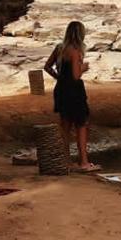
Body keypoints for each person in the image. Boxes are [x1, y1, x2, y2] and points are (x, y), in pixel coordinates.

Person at [44, 21, 100, 172]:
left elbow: (47, 66)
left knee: (65, 126)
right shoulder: (75, 51)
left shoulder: (59, 48)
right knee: (81, 125)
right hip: (74, 91)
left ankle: (65, 162)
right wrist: (84, 67)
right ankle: (84, 162)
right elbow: (76, 75)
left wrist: (59, 77)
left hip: (61, 89)